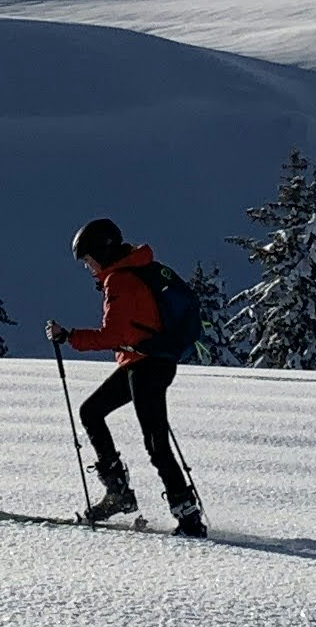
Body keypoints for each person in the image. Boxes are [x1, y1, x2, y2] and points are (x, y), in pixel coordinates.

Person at [51, 216, 207, 534]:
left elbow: (114, 333)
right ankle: (122, 493)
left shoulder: (120, 280)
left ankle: (186, 516)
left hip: (145, 365)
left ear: (101, 253)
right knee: (92, 412)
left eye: (88, 259)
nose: (88, 267)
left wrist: (69, 337)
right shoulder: (135, 272)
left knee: (155, 443)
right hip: (147, 362)